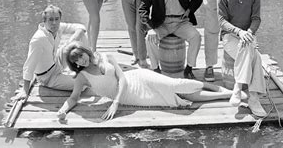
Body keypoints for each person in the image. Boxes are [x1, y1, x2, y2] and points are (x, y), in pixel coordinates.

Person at [57, 42, 235, 121]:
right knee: (176, 99)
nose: (81, 61)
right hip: (133, 97)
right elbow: (74, 98)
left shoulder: (106, 56)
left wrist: (115, 103)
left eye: (80, 55)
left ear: (85, 52)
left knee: (174, 85)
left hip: (136, 79)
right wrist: (63, 110)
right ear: (75, 65)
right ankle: (226, 95)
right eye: (76, 61)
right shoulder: (82, 77)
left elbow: (122, 79)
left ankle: (223, 91)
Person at [138, 0, 202, 79]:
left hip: (181, 22)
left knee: (196, 36)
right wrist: (151, 27)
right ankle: (156, 70)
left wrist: (190, 10)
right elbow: (143, 9)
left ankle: (188, 69)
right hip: (162, 23)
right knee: (149, 39)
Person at [217, 0, 267, 117]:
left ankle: (238, 88)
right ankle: (253, 98)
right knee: (252, 53)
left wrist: (249, 32)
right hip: (230, 36)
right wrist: (240, 32)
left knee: (251, 50)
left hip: (249, 36)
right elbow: (221, 21)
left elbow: (256, 18)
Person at [16, 5, 87, 100]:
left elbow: (80, 27)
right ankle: (78, 74)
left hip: (57, 61)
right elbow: (29, 65)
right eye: (50, 20)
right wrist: (25, 91)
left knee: (82, 34)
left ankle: (86, 66)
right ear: (44, 21)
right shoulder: (38, 39)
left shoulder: (58, 27)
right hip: (48, 77)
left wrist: (74, 37)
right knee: (83, 83)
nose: (54, 23)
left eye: (57, 19)